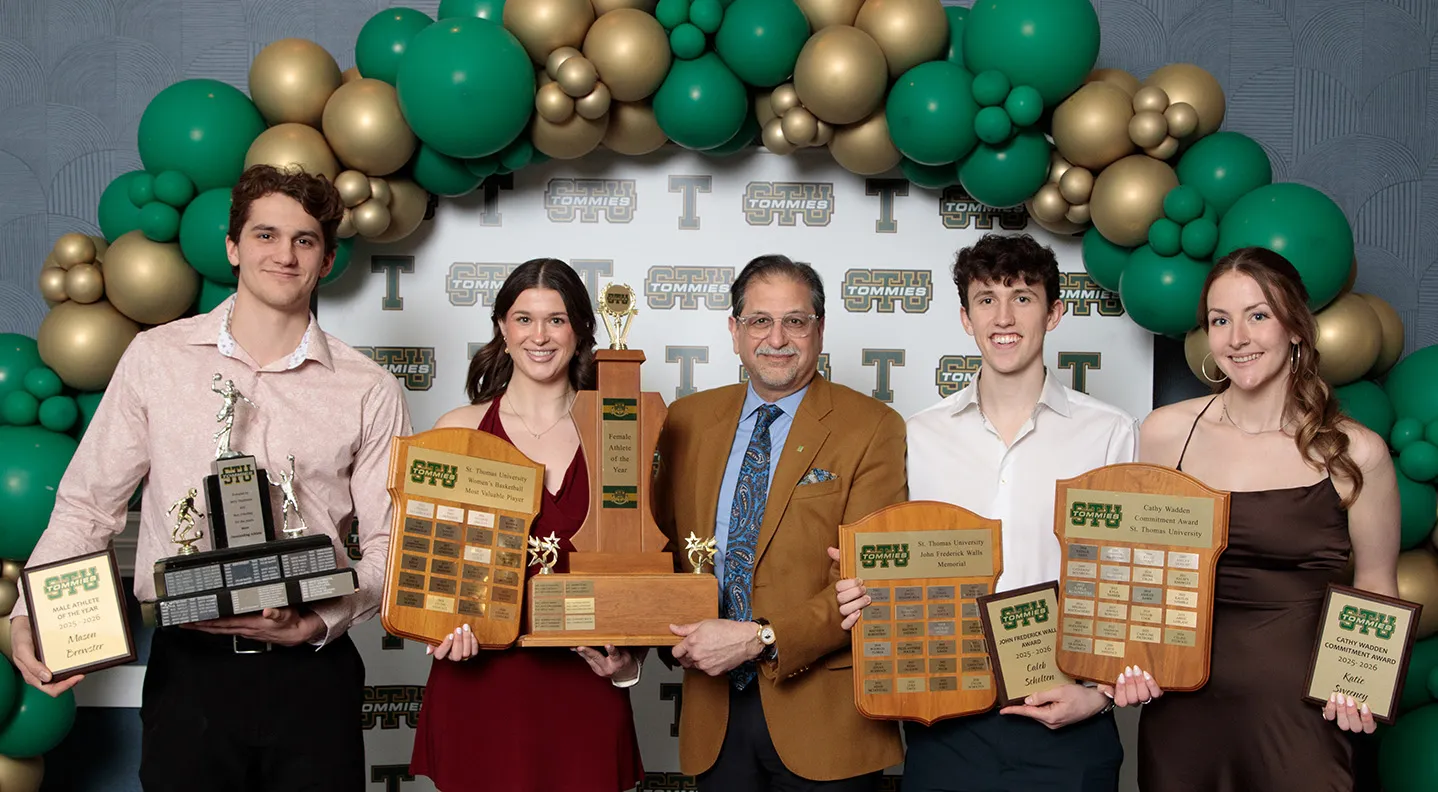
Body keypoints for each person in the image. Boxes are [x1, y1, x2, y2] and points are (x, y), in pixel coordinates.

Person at [10, 164, 412, 791]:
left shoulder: (368, 389)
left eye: (305, 240)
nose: (284, 254)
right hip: (189, 671)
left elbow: (393, 546)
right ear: (232, 246)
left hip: (313, 670)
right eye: (265, 235)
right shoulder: (156, 358)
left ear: (328, 260)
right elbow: (89, 504)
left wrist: (319, 621)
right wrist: (30, 611)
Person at [835, 233, 1138, 792]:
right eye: (985, 299)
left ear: (1054, 315)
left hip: (1067, 713)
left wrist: (1098, 696)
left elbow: (1121, 575)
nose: (1004, 316)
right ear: (964, 318)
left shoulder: (1109, 431)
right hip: (947, 713)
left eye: (1023, 297)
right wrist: (860, 584)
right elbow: (896, 566)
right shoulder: (919, 434)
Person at [1119, 246, 1399, 792]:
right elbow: (1140, 573)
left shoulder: (1357, 452)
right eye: (1220, 320)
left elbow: (1375, 583)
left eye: (1258, 315)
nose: (1237, 338)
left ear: (1295, 326)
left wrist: (1361, 682)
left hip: (1306, 717)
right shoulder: (1163, 433)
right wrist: (1130, 660)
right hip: (1183, 716)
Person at [655, 254, 907, 792]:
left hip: (826, 722)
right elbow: (659, 552)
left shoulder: (873, 427)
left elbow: (870, 581)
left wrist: (758, 638)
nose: (777, 338)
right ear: (734, 330)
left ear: (818, 329)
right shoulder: (684, 421)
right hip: (712, 712)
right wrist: (624, 639)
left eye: (795, 321)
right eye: (759, 321)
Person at [409, 258, 645, 792]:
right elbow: (431, 567)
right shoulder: (460, 431)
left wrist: (629, 662)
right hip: (482, 682)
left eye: (557, 320)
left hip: (584, 684)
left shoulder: (619, 433)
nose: (540, 336)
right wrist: (438, 628)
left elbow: (642, 558)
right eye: (524, 319)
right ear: (501, 327)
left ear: (582, 329)